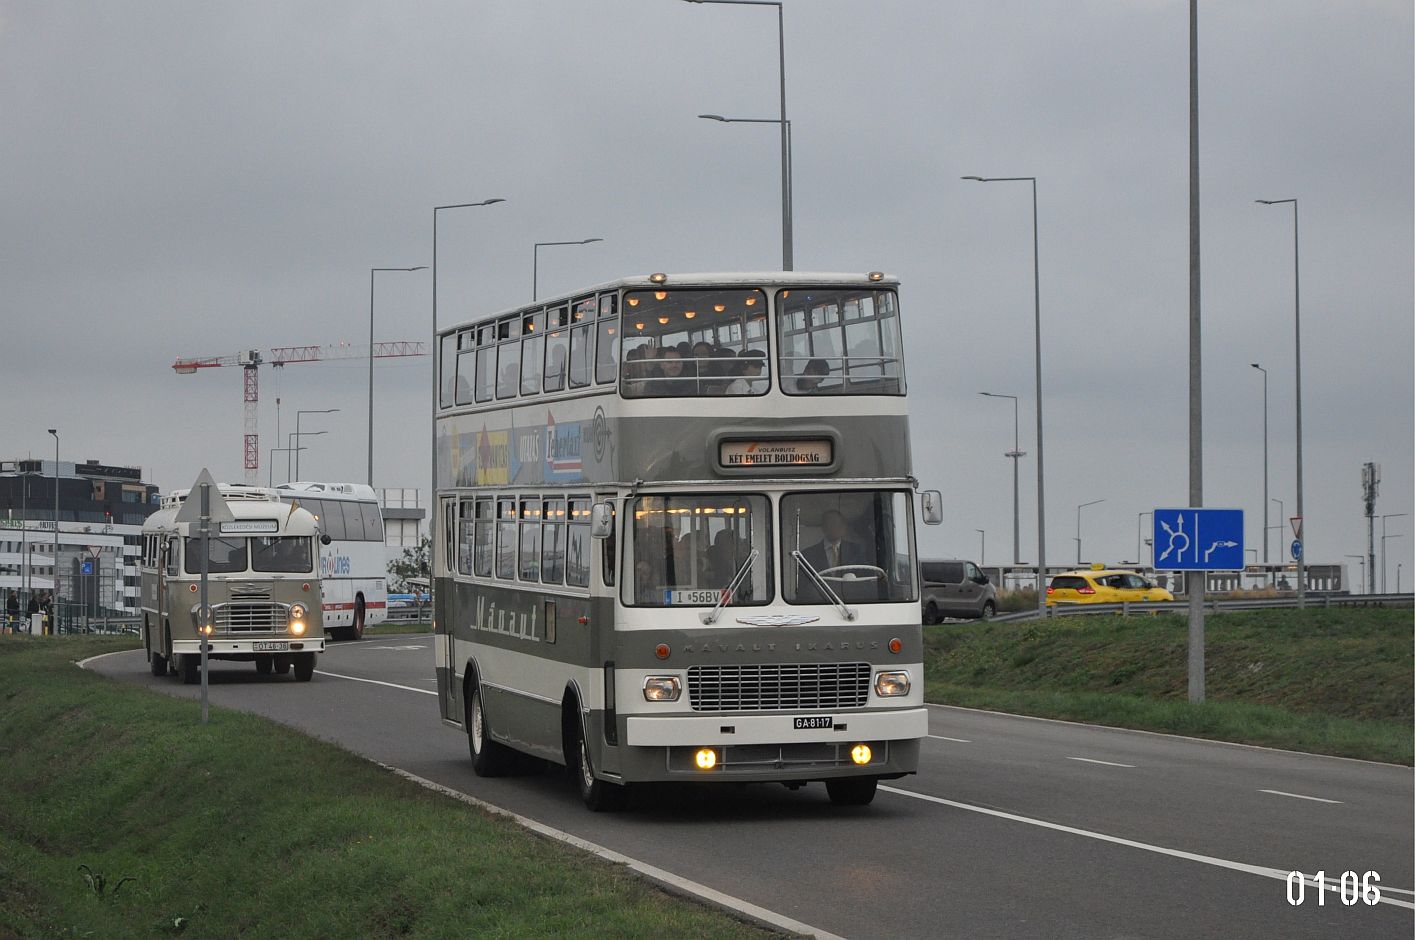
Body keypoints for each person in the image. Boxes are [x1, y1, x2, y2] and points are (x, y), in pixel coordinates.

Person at [802, 510, 871, 572]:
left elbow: (866, 572)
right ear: (824, 527)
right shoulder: (808, 554)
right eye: (833, 523)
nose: (839, 526)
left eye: (841, 523)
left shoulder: (856, 550)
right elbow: (805, 583)